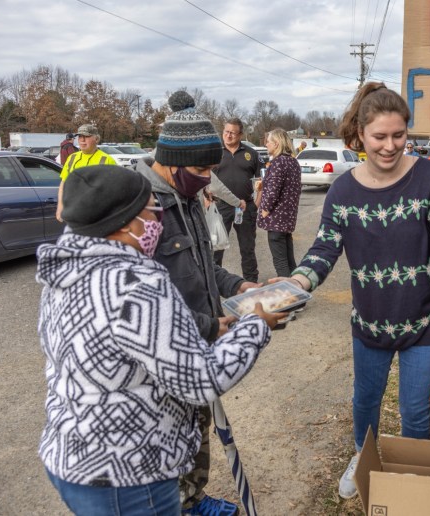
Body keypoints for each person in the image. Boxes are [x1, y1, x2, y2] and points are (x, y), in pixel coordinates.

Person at [285, 82, 430, 500]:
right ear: (360, 135)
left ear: (408, 133)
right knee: (365, 400)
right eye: (379, 137)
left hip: (427, 320)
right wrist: (295, 283)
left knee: (415, 409)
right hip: (370, 321)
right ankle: (362, 454)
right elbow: (324, 248)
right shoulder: (343, 191)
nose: (389, 146)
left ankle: (411, 476)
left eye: (398, 136)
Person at [37, 164, 283, 516]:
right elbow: (200, 380)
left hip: (73, 456)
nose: (159, 221)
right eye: (153, 210)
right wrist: (255, 326)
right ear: (124, 221)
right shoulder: (134, 283)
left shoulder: (69, 269)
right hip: (129, 474)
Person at [135, 91, 261, 515]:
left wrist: (241, 286)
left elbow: (205, 266)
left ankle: (193, 499)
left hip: (199, 346)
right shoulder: (140, 210)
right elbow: (138, 305)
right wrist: (211, 326)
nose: (209, 177)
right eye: (201, 168)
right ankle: (173, 505)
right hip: (163, 357)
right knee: (168, 439)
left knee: (197, 427)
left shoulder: (186, 199)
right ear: (170, 160)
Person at [214, 118, 263, 282]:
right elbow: (205, 178)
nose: (228, 136)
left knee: (247, 247)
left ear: (240, 134)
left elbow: (260, 182)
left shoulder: (251, 154)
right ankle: (215, 281)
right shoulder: (215, 152)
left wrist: (256, 204)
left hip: (245, 207)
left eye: (232, 133)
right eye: (226, 132)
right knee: (216, 247)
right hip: (220, 207)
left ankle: (251, 282)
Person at [257, 128, 302, 277]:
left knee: (281, 262)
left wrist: (265, 210)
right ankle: (299, 295)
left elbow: (273, 191)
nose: (266, 145)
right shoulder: (293, 162)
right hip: (287, 220)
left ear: (276, 144)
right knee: (290, 261)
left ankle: (290, 297)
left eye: (268, 142)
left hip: (276, 220)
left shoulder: (278, 163)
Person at [55, 124, 118, 222]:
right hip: (74, 214)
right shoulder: (72, 158)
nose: (82, 140)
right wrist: (60, 206)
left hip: (97, 217)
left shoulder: (107, 160)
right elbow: (64, 183)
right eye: (80, 136)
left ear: (96, 139)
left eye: (87, 137)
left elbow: (114, 191)